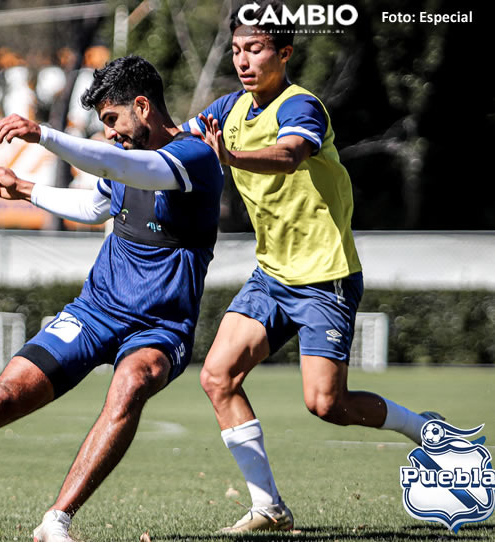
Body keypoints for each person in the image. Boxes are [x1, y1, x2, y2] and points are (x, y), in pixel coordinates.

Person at [0, 56, 223, 541]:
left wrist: (42, 135)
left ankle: (55, 521)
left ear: (143, 106)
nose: (110, 133)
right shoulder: (127, 155)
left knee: (131, 384)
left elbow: (119, 163)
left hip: (160, 326)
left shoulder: (194, 158)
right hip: (95, 311)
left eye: (112, 119)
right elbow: (95, 203)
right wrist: (23, 189)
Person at [182, 0, 441, 533]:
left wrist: (228, 159)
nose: (242, 60)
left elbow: (288, 156)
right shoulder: (229, 109)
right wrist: (110, 137)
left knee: (326, 403)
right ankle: (268, 506)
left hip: (325, 277)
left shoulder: (303, 107)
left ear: (284, 52)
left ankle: (427, 431)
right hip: (271, 275)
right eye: (236, 50)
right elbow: (171, 137)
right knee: (217, 376)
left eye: (254, 49)